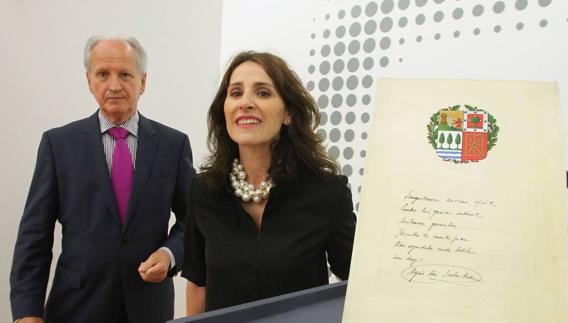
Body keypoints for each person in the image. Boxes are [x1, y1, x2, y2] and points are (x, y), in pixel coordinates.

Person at [10, 36, 195, 323]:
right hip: (76, 306)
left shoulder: (174, 144)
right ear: (89, 81)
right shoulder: (58, 145)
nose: (114, 85)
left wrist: (170, 253)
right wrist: (27, 312)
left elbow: (194, 218)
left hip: (148, 307)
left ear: (142, 82)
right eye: (103, 74)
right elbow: (34, 235)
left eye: (125, 74)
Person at [182, 51, 356, 314]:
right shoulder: (203, 191)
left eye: (263, 93)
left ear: (288, 113)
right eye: (236, 93)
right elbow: (198, 283)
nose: (245, 103)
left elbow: (355, 282)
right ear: (224, 109)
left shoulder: (327, 192)